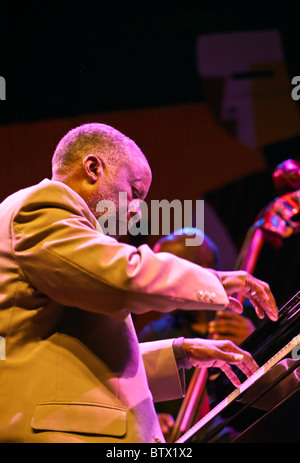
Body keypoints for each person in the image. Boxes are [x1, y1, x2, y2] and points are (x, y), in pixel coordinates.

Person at [0, 122, 278, 443]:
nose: (137, 212)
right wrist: (217, 281)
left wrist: (182, 353)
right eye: (134, 192)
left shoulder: (48, 232)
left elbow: (73, 360)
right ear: (93, 168)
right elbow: (123, 276)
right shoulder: (43, 205)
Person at [139, 228, 257, 441]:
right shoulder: (154, 334)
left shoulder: (254, 315)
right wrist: (154, 419)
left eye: (169, 273)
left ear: (202, 272)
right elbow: (137, 397)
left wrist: (257, 342)